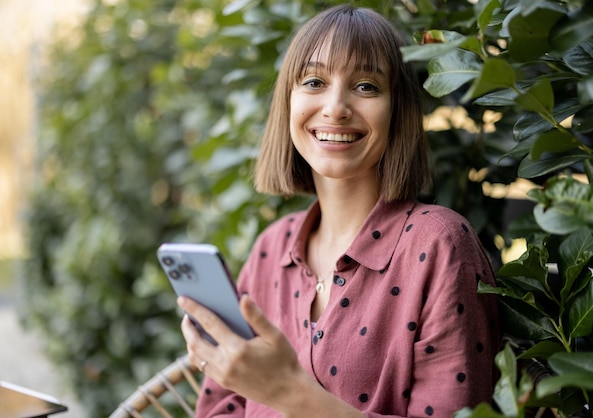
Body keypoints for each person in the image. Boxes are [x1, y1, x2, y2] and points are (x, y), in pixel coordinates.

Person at [177, 4, 500, 417]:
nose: (335, 107)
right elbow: (219, 406)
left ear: (397, 110)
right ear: (288, 104)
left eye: (366, 86)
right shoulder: (270, 249)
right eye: (314, 81)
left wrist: (290, 393)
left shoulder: (439, 245)